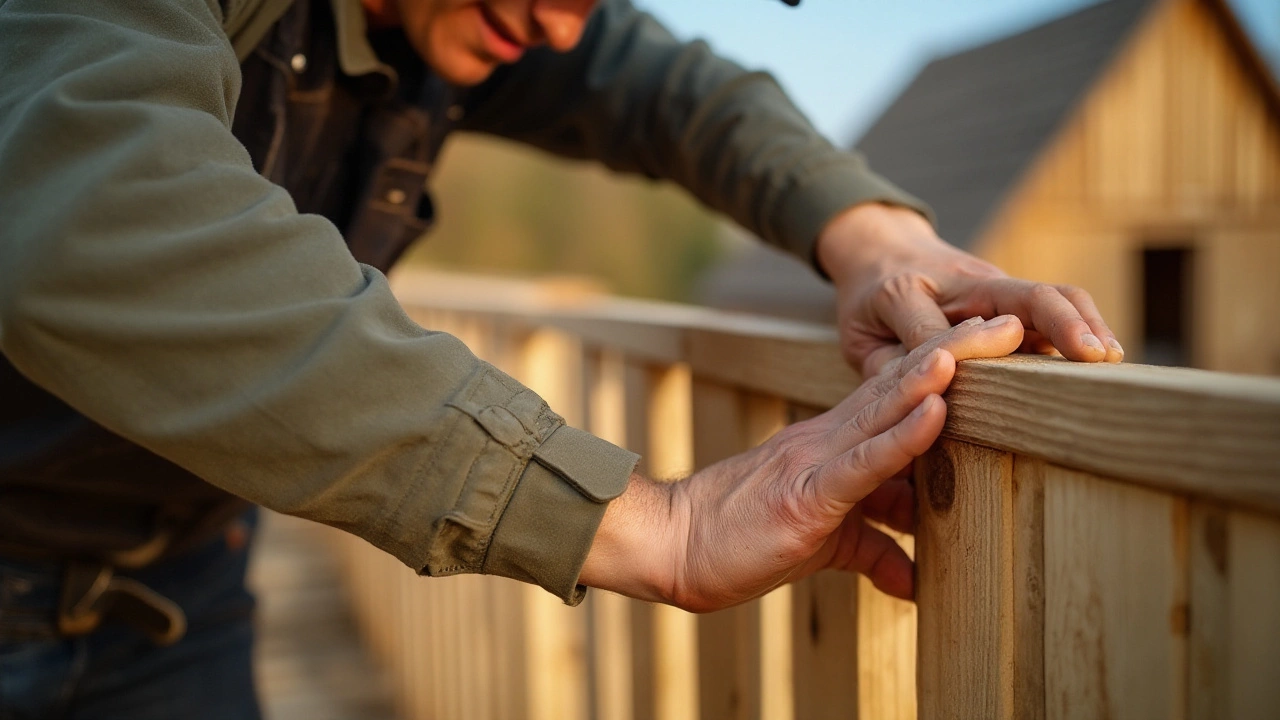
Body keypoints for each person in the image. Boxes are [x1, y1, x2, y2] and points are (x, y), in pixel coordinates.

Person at [0, 0, 1122, 716]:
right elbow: (84, 203)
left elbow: (676, 92)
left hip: (179, 588)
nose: (563, 28)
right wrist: (651, 524)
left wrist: (882, 244)